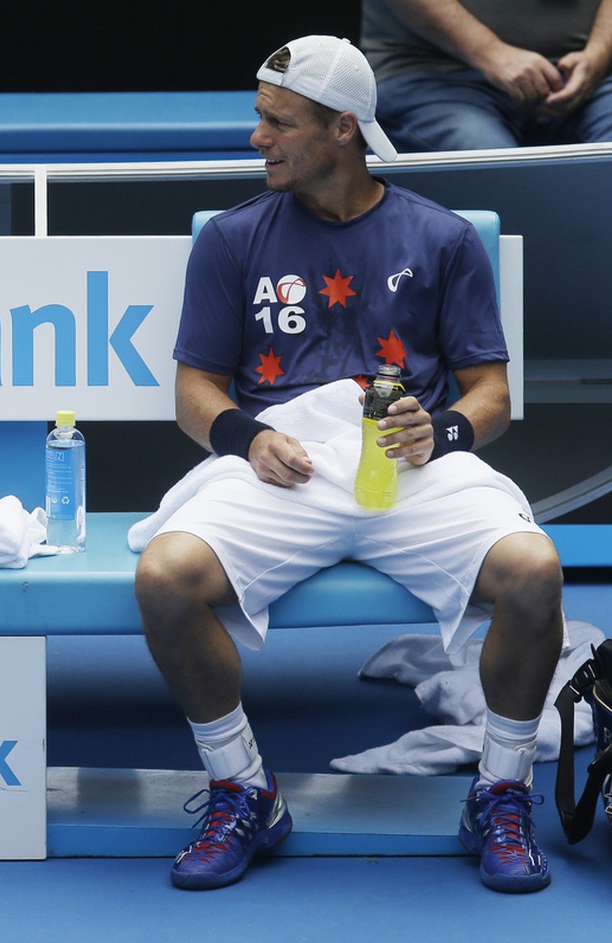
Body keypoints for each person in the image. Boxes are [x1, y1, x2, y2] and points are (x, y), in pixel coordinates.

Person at [131, 35, 563, 893]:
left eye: (277, 122)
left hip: (412, 465)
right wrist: (247, 437)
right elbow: (194, 391)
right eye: (260, 118)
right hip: (278, 463)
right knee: (164, 576)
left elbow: (491, 396)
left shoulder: (441, 239)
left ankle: (501, 791)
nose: (257, 138)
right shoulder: (230, 238)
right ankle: (244, 787)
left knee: (535, 571)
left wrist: (437, 434)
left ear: (342, 129)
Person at [361, 0, 612, 150]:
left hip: (585, 77)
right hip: (434, 76)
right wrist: (491, 53)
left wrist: (599, 53)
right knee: (496, 170)